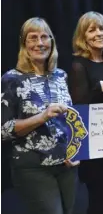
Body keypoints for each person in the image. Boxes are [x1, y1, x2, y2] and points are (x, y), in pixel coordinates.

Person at [1, 17, 78, 214]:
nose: (40, 43)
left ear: (52, 42)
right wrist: (42, 116)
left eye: (45, 37)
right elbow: (3, 130)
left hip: (66, 165)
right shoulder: (11, 79)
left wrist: (74, 151)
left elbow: (68, 120)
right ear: (24, 44)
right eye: (33, 38)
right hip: (32, 167)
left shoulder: (60, 75)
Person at [68, 11, 103, 214]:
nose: (98, 34)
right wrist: (99, 85)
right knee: (98, 204)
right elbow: (79, 108)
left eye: (102, 28)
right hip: (95, 150)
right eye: (92, 30)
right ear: (82, 36)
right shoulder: (78, 65)